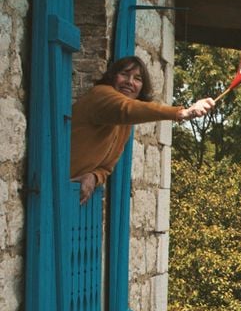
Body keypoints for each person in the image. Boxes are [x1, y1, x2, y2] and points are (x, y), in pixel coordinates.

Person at [70, 56, 214, 203]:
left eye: (137, 78)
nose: (130, 82)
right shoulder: (100, 94)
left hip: (67, 192)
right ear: (112, 77)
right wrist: (182, 113)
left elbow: (106, 168)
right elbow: (126, 109)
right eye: (124, 74)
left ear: (142, 87)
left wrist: (93, 177)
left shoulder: (124, 124)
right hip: (49, 180)